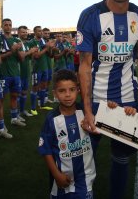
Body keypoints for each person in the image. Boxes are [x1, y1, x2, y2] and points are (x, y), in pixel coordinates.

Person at [77, 0, 138, 199]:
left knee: (121, 161)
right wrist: (87, 110)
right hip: (96, 103)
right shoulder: (89, 15)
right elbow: (85, 67)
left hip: (127, 103)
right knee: (84, 159)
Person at [38, 69, 96, 199]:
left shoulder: (86, 114)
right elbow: (45, 150)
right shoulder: (51, 119)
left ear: (78, 90)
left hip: (85, 180)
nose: (68, 95)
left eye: (72, 89)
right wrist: (56, 175)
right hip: (62, 181)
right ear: (55, 94)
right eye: (62, 91)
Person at [0, 18, 26, 126]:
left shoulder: (17, 41)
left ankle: (13, 118)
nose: (8, 27)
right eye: (6, 25)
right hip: (3, 74)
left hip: (15, 74)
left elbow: (22, 58)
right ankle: (1, 124)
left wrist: (16, 50)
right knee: (0, 100)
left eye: (9, 25)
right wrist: (11, 51)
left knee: (14, 96)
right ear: (2, 27)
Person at [28, 26, 56, 115]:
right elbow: (36, 56)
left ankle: (42, 105)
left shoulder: (43, 41)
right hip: (36, 69)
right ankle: (33, 108)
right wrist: (47, 48)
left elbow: (50, 55)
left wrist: (51, 48)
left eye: (41, 31)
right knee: (35, 87)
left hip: (45, 68)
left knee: (44, 86)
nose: (41, 32)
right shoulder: (32, 42)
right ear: (35, 32)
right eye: (39, 31)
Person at [18, 25, 38, 117]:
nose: (25, 33)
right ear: (18, 33)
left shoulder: (26, 44)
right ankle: (16, 113)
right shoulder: (17, 43)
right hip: (18, 72)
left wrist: (33, 52)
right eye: (23, 32)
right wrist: (30, 52)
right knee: (17, 93)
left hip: (26, 71)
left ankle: (22, 110)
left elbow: (30, 57)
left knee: (24, 92)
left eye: (26, 32)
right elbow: (21, 57)